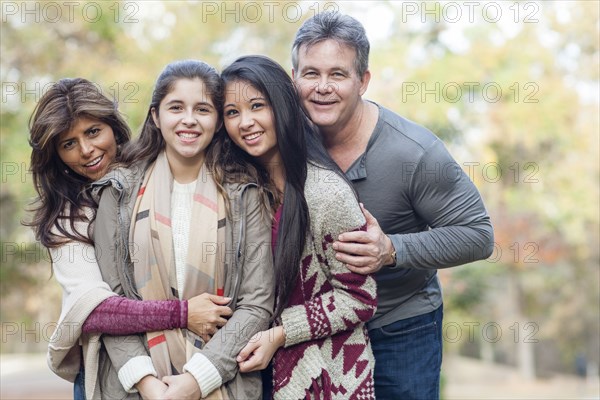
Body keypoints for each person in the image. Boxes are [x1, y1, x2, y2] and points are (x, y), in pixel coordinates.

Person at [291, 11, 495, 399]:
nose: (323, 87)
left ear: (363, 81)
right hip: (316, 327)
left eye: (338, 74)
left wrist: (392, 250)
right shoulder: (283, 143)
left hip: (399, 326)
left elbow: (479, 235)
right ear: (294, 78)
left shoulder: (415, 152)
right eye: (310, 73)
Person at [26, 78, 235, 399]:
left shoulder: (156, 174)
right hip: (110, 373)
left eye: (93, 131)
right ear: (55, 155)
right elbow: (97, 311)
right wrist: (182, 313)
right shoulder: (67, 219)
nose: (86, 150)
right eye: (68, 144)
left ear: (113, 126)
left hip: (191, 362)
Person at [92, 60, 274, 399]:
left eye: (202, 109)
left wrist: (195, 381)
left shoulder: (245, 193)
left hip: (221, 382)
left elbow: (257, 303)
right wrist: (148, 385)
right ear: (156, 116)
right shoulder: (118, 192)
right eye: (176, 107)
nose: (189, 119)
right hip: (135, 386)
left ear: (218, 122)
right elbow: (108, 303)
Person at [218, 55, 377, 399]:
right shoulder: (236, 190)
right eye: (232, 112)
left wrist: (279, 334)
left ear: (283, 106)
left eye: (257, 106)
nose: (245, 122)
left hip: (326, 377)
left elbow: (359, 298)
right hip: (247, 373)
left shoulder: (325, 194)